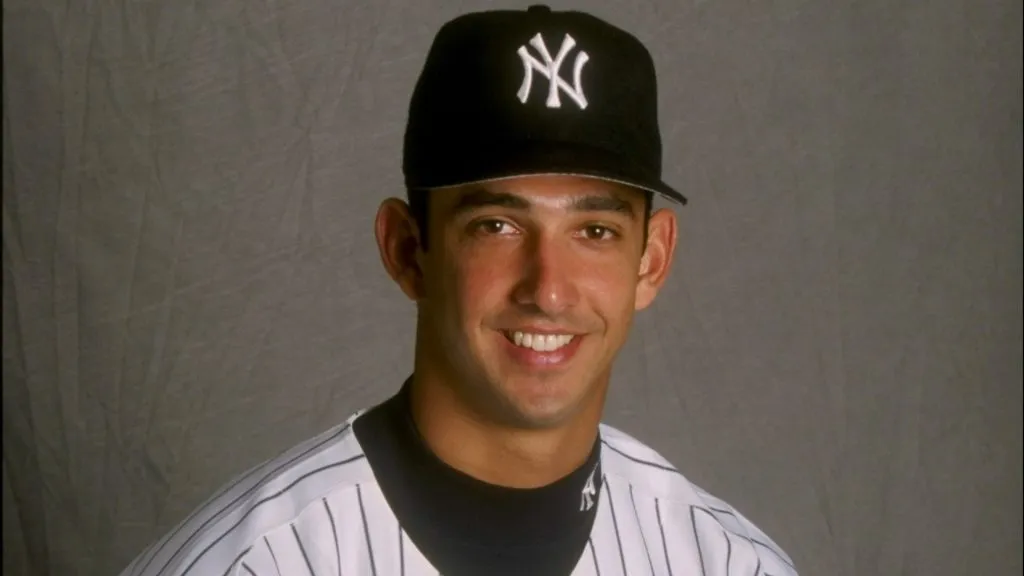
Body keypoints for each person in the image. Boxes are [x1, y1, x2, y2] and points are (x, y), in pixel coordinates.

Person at [120, 5, 798, 575]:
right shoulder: (253, 563)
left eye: (594, 231)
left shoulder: (729, 563)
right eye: (497, 225)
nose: (549, 289)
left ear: (651, 261)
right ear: (407, 250)